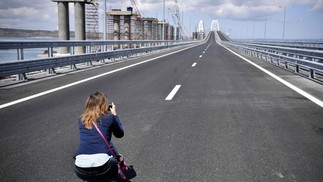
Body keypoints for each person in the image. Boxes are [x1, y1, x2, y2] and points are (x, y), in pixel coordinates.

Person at [74, 92, 124, 181]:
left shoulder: (81, 120)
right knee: (113, 164)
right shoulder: (109, 118)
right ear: (104, 105)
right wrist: (115, 115)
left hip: (80, 169)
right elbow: (120, 134)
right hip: (103, 167)